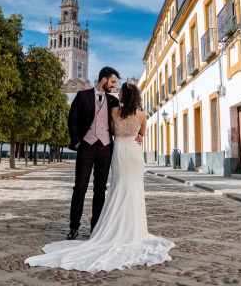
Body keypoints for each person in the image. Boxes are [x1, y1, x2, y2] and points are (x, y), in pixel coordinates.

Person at [24, 82, 175, 273]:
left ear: (125, 96)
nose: (117, 93)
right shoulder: (143, 114)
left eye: (120, 92)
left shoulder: (114, 112)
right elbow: (141, 135)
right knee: (135, 190)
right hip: (135, 154)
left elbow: (111, 131)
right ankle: (134, 230)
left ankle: (111, 228)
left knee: (118, 188)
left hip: (119, 153)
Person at [65, 66, 121, 240]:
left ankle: (96, 228)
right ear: (103, 80)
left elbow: (121, 122)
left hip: (105, 148)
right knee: (80, 187)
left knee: (100, 190)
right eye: (112, 82)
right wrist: (77, 142)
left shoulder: (113, 101)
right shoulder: (82, 96)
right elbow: (72, 119)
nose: (113, 86)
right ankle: (74, 226)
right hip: (86, 147)